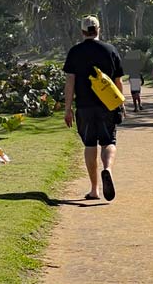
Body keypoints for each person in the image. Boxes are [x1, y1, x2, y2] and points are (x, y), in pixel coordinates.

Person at [63, 15, 124, 201]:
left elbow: (70, 82)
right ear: (99, 29)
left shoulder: (75, 52)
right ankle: (107, 169)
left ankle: (94, 189)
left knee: (90, 144)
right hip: (107, 105)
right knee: (108, 141)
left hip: (84, 105)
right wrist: (120, 104)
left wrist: (67, 108)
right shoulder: (110, 50)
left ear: (82, 31)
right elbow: (118, 82)